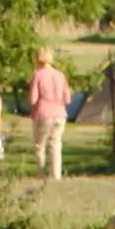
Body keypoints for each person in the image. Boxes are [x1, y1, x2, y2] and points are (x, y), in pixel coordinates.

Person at [27, 46, 72, 180]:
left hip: (43, 114)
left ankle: (42, 174)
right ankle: (56, 175)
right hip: (60, 113)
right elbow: (68, 99)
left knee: (40, 146)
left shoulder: (37, 75)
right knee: (55, 145)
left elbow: (33, 99)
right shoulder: (60, 75)